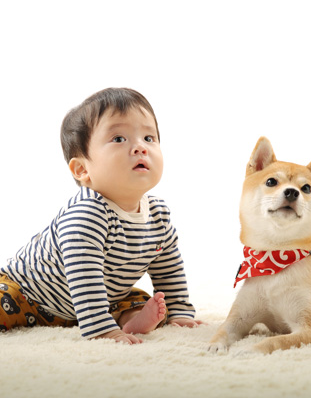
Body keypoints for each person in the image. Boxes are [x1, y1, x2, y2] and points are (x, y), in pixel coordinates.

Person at [0, 87, 201, 344]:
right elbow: (84, 277)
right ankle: (102, 321)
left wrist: (180, 311)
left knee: (144, 301)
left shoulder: (158, 215)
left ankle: (130, 320)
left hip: (96, 301)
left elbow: (168, 268)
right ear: (82, 169)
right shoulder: (87, 214)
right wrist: (103, 330)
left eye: (149, 138)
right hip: (27, 294)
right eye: (119, 138)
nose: (140, 147)